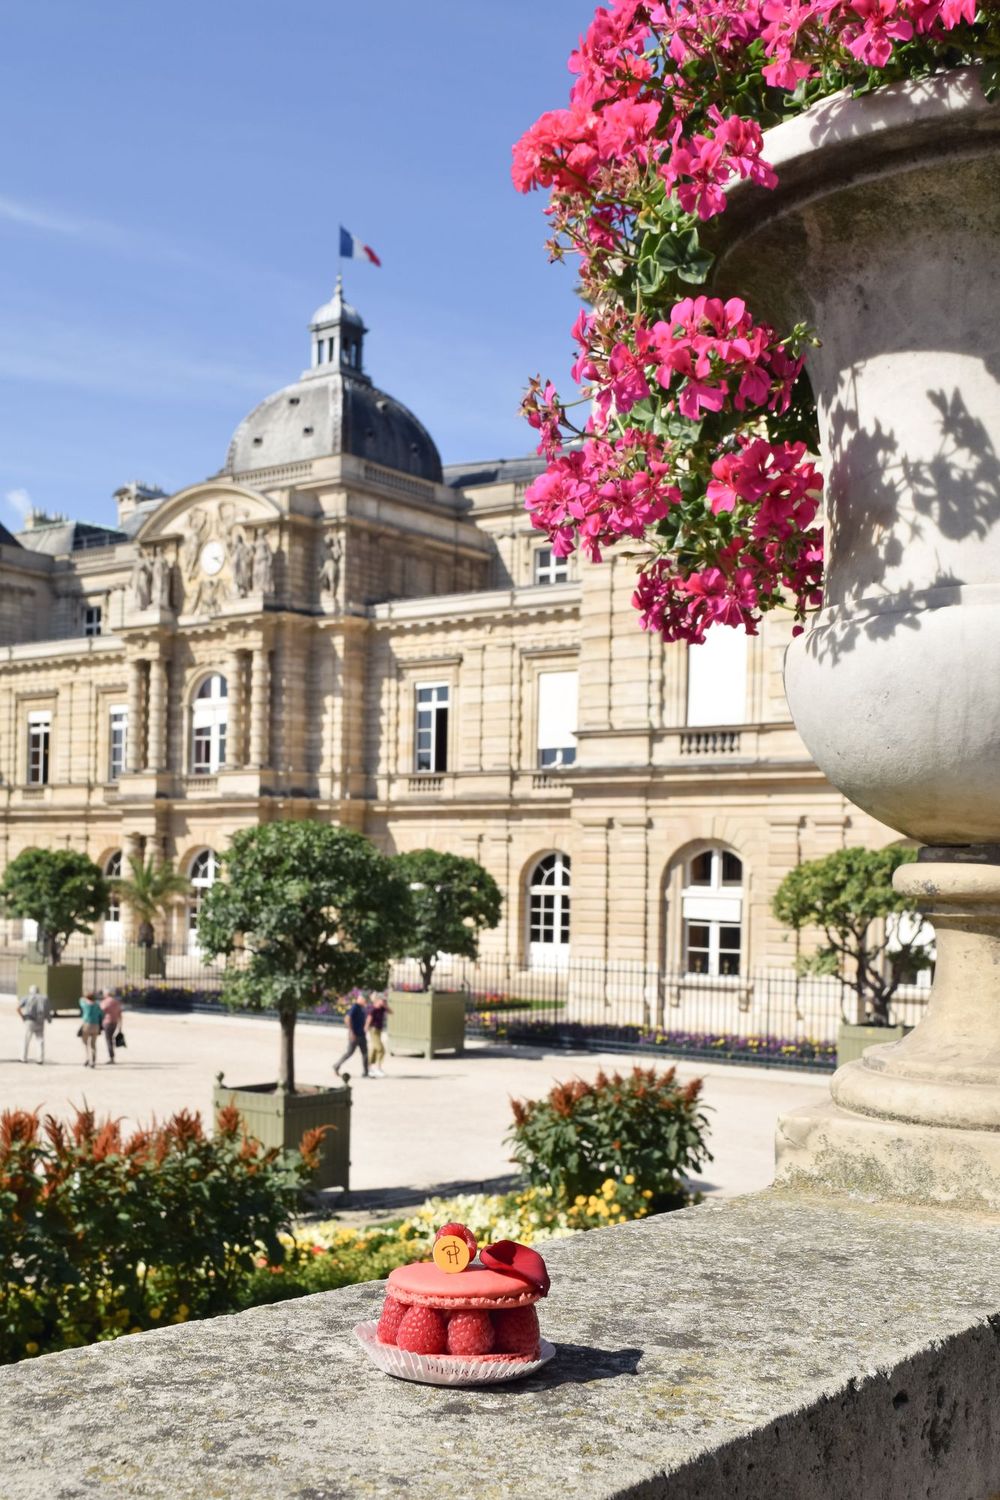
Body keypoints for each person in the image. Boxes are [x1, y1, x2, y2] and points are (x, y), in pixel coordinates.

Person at [333, 994, 369, 1079]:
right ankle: (337, 1065)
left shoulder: (361, 1008)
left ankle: (366, 1072)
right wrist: (351, 1032)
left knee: (365, 1053)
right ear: (360, 999)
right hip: (355, 1035)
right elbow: (347, 1018)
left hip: (362, 1035)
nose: (366, 1002)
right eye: (364, 999)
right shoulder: (355, 1007)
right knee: (349, 1053)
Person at [18, 984, 51, 1065]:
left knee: (26, 1039)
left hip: (30, 1020)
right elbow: (47, 1010)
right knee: (40, 1040)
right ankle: (40, 1059)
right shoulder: (44, 998)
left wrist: (22, 1017)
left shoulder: (27, 997)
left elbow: (18, 1008)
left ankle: (23, 1058)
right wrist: (49, 1019)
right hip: (40, 1021)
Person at [365, 994, 392, 1077]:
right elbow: (369, 1018)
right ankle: (378, 1068)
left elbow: (391, 1012)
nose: (384, 1002)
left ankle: (369, 1067)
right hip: (373, 1029)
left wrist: (385, 1006)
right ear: (378, 1000)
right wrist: (365, 1027)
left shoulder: (382, 1008)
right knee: (381, 1049)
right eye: (382, 1000)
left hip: (379, 1029)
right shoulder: (373, 1008)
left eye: (384, 1000)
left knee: (374, 1048)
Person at [79, 991, 102, 1068]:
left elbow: (80, 1000)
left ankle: (87, 1058)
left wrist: (84, 997)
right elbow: (102, 1014)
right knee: (93, 1044)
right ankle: (93, 1060)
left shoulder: (85, 1004)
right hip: (96, 1025)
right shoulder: (97, 1005)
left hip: (87, 1025)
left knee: (85, 1043)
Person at [100, 989, 124, 1064]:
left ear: (106, 994)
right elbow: (120, 1014)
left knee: (108, 1040)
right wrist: (120, 1027)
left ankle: (111, 1057)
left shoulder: (105, 1002)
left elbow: (101, 1012)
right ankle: (112, 1056)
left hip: (107, 1022)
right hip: (115, 1022)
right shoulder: (117, 1002)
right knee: (110, 1039)